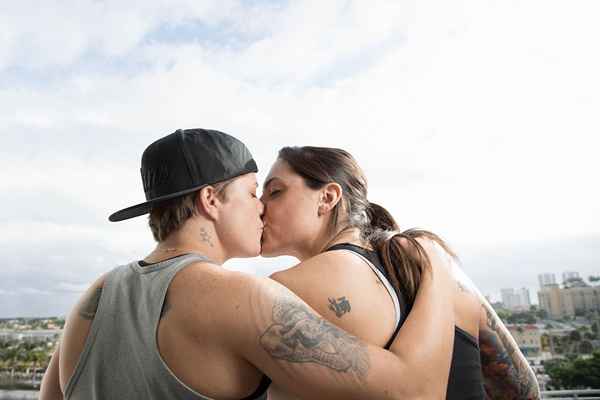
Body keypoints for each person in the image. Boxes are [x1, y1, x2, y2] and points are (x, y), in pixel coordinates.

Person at [40, 129, 457, 400]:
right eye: (254, 192)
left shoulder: (91, 301)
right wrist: (433, 263)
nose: (261, 208)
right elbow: (414, 391)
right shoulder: (243, 299)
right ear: (211, 200)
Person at [260, 146, 541, 400]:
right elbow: (522, 389)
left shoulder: (287, 289)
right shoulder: (433, 265)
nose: (260, 206)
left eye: (275, 192)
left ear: (328, 197)